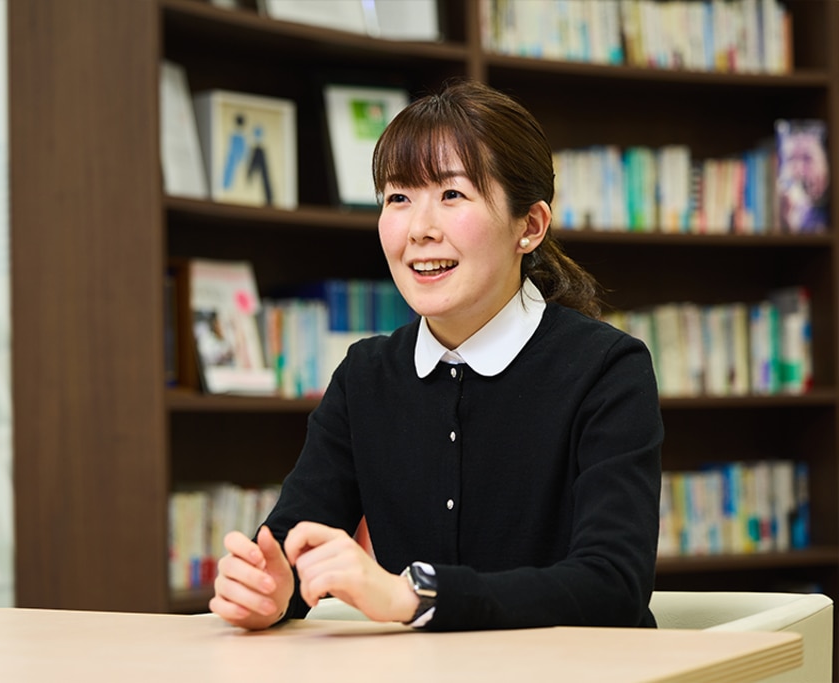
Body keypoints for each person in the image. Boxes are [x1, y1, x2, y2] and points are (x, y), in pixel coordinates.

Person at [209, 79, 663, 632]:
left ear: (530, 226)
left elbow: (613, 585)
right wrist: (271, 590)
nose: (420, 230)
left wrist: (416, 595)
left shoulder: (608, 368)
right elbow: (293, 546)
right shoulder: (365, 376)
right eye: (398, 198)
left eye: (452, 194)